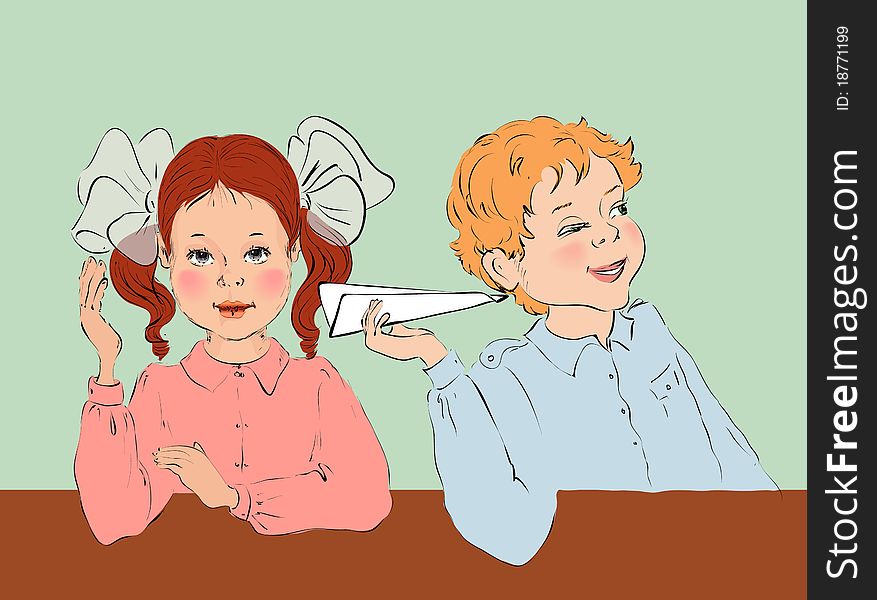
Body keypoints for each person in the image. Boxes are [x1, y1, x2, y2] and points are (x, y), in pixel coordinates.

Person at [362, 116, 777, 565]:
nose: (607, 232)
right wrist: (438, 362)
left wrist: (775, 541)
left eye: (615, 208)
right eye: (572, 227)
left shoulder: (652, 337)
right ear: (507, 267)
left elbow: (736, 462)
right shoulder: (510, 378)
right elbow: (506, 532)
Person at [72, 118, 394, 544]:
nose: (230, 279)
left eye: (256, 252)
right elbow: (115, 520)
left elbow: (367, 500)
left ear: (293, 250)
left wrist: (233, 498)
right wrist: (108, 369)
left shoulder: (317, 383)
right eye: (202, 255)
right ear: (166, 256)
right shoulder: (160, 390)